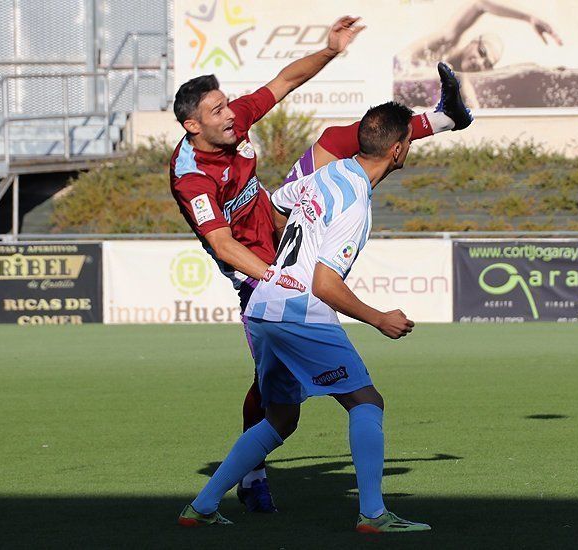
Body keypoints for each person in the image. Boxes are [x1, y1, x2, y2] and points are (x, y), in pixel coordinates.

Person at [170, 20, 472, 513]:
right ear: (192, 126)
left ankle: (444, 119)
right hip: (259, 277)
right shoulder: (192, 179)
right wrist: (275, 275)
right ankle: (265, 479)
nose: (231, 114)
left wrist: (329, 51)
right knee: (299, 392)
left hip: (282, 239)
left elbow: (285, 82)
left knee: (336, 138)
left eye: (227, 105)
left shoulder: (231, 124)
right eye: (217, 110)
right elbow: (224, 246)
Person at [179, 101, 430, 533]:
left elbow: (277, 206)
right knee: (366, 401)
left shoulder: (330, 173)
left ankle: (201, 506)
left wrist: (286, 266)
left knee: (280, 418)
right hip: (299, 311)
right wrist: (378, 318)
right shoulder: (354, 202)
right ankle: (373, 515)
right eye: (408, 140)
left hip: (263, 306)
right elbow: (326, 285)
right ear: (397, 150)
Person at [395, 0, 563, 107]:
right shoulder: (445, 43)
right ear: (474, 42)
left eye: (488, 64)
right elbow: (480, 4)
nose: (480, 63)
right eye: (482, 52)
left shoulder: (461, 83)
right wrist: (530, 17)